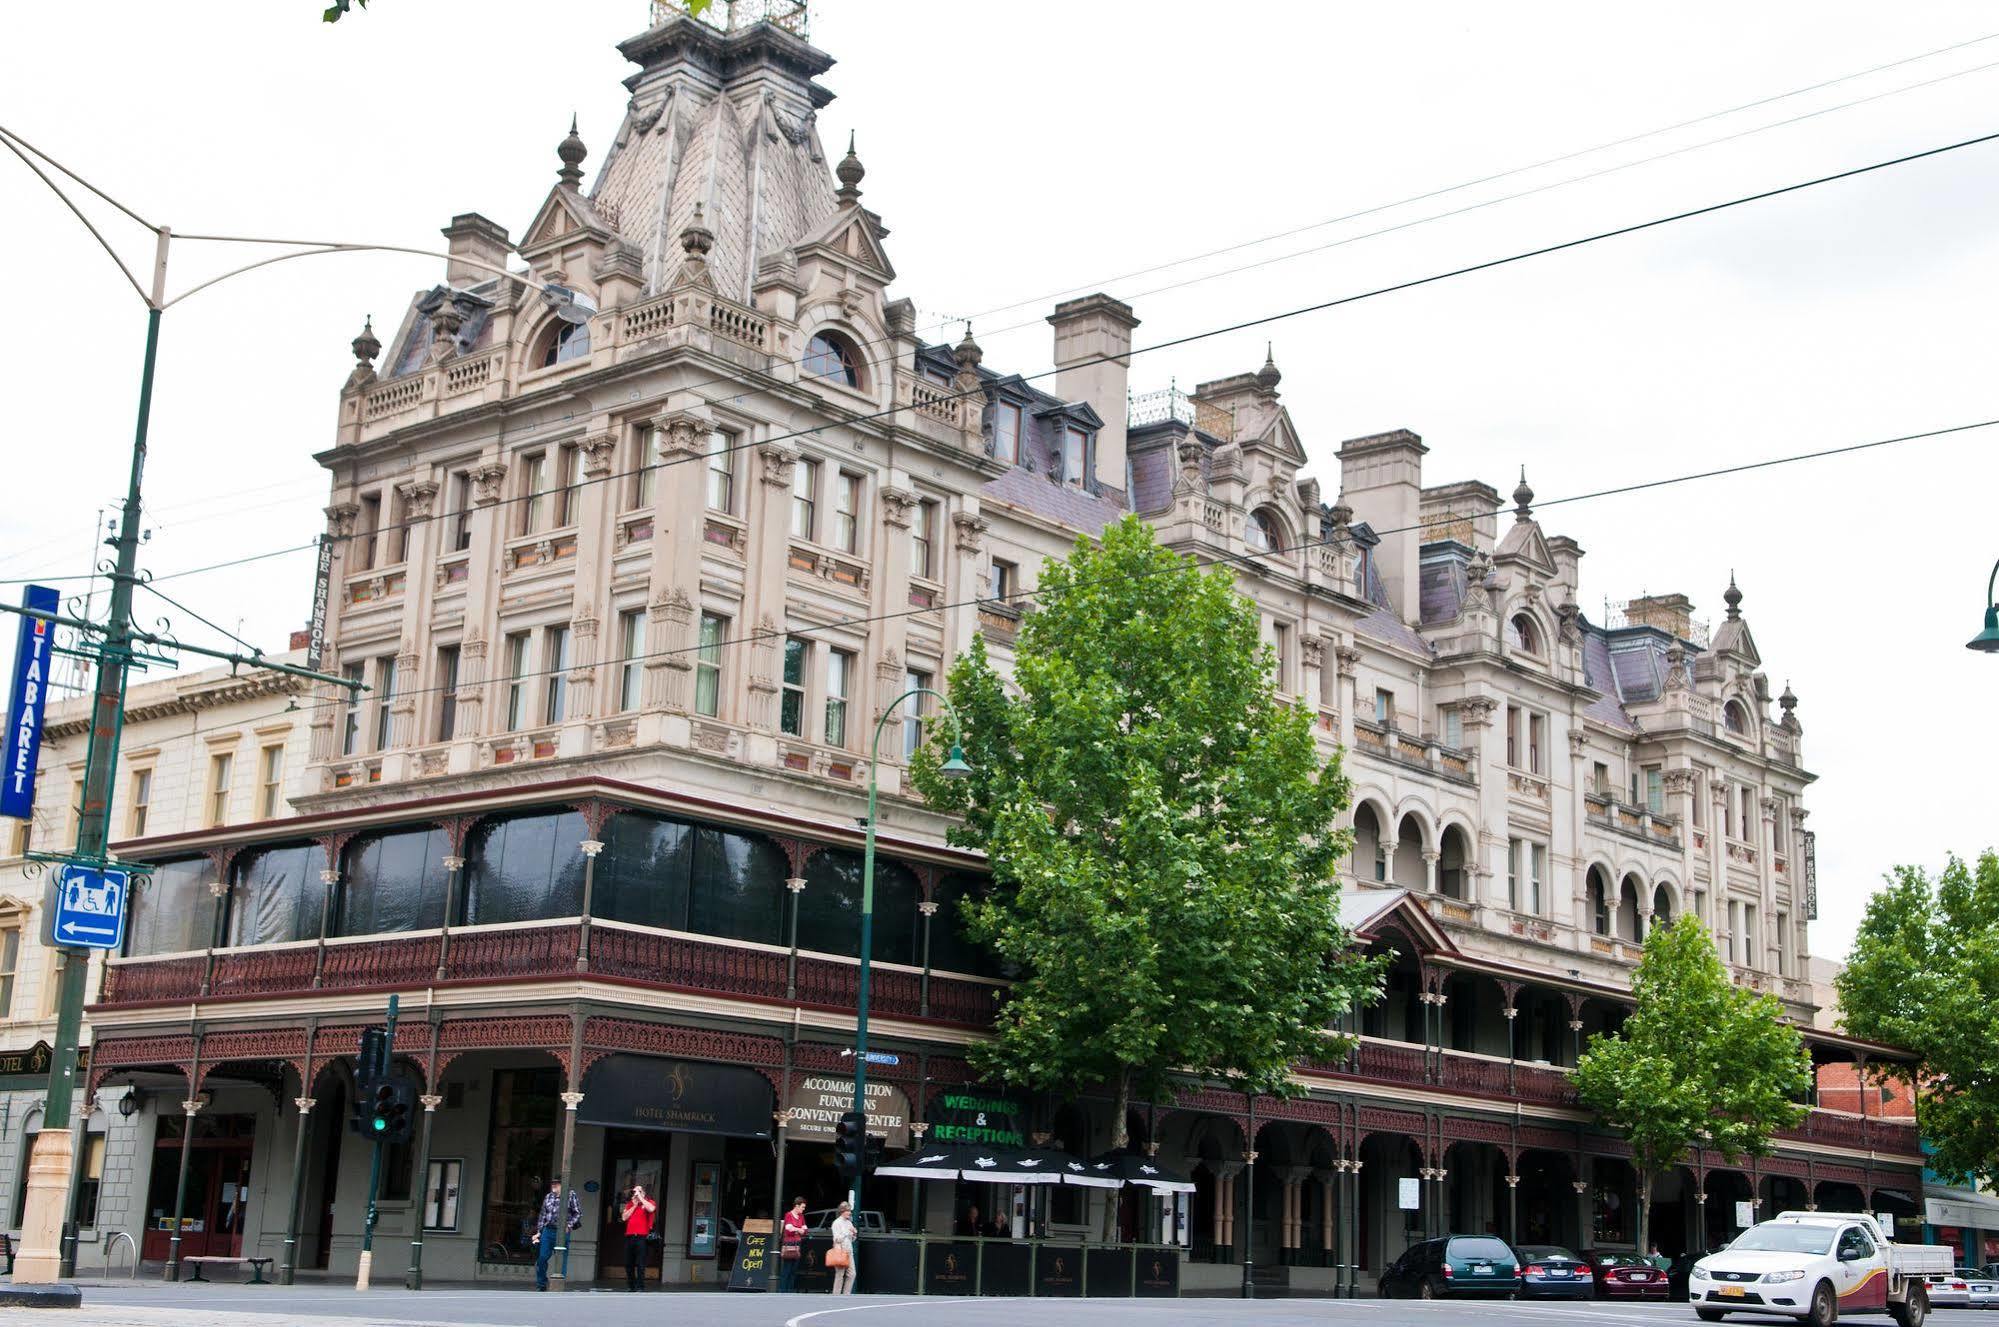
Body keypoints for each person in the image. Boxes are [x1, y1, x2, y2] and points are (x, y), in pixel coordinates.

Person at [534, 1178, 581, 1292]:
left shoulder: (570, 1194)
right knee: (542, 1258)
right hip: (548, 1230)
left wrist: (569, 1225)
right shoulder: (548, 1196)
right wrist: (539, 1231)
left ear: (563, 1184)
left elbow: (577, 1212)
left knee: (561, 1258)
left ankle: (558, 1285)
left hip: (562, 1231)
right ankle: (541, 1283)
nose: (553, 1185)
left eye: (556, 1183)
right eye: (553, 1183)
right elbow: (542, 1215)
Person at [621, 1182, 658, 1292]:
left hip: (642, 1237)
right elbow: (624, 1217)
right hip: (629, 1236)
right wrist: (634, 1206)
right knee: (628, 1263)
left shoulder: (649, 1202)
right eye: (635, 1191)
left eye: (639, 1191)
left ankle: (640, 1286)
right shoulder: (630, 1204)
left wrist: (641, 1198)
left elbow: (651, 1209)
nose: (636, 1194)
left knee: (640, 1263)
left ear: (643, 1193)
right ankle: (631, 1286)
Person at [777, 1196, 808, 1292]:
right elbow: (788, 1229)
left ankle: (789, 1291)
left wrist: (796, 1229)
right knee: (787, 1269)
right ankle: (782, 1291)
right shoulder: (788, 1215)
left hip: (797, 1244)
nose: (803, 1209)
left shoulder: (801, 1216)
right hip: (789, 1244)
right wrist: (799, 1230)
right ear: (796, 1206)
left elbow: (805, 1230)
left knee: (793, 1270)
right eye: (802, 1207)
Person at [829, 1201, 858, 1295]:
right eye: (848, 1211)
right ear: (842, 1211)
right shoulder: (836, 1223)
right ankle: (836, 1295)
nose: (849, 1213)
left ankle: (846, 1294)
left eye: (850, 1211)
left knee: (852, 1273)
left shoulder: (849, 1223)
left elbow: (851, 1239)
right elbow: (837, 1239)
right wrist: (847, 1233)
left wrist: (854, 1234)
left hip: (849, 1251)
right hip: (840, 1251)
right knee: (840, 1274)